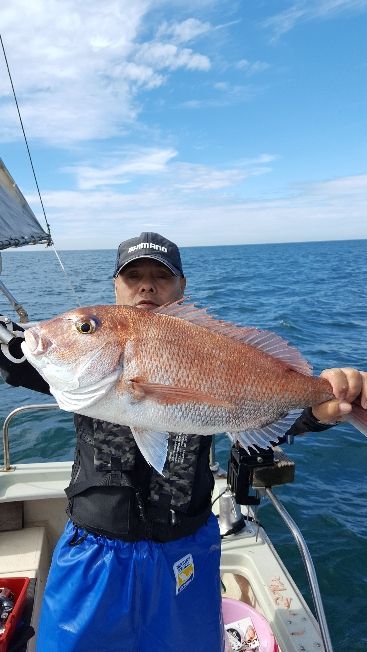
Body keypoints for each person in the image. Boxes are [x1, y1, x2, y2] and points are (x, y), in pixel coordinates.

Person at [0, 231, 366, 652]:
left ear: (182, 287)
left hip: (185, 548)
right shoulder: (77, 365)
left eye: (161, 276)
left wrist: (322, 408)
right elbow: (15, 354)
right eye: (132, 275)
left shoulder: (205, 344)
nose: (146, 285)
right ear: (116, 287)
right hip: (93, 551)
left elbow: (268, 421)